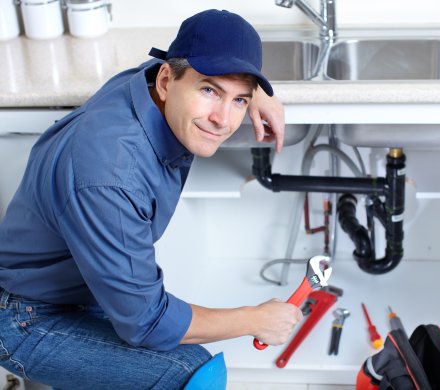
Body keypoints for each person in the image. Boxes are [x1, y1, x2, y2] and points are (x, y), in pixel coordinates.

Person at [0, 9, 302, 389]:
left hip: (76, 284)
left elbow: (194, 68)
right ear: (166, 82)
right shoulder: (111, 177)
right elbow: (146, 322)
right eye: (209, 91)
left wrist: (253, 93)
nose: (223, 120)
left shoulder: (147, 83)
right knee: (192, 374)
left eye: (238, 100)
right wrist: (254, 319)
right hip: (26, 317)